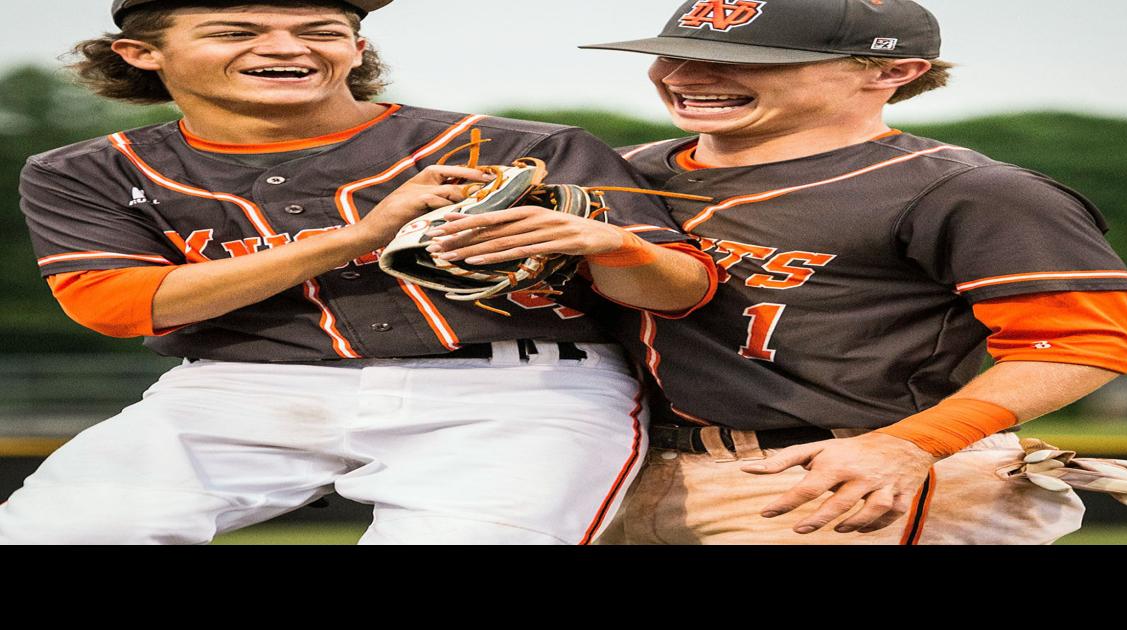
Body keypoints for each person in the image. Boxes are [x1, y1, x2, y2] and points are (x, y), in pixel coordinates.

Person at [0, 0, 715, 545]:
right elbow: (119, 306)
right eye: (235, 30)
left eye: (320, 29)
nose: (287, 47)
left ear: (356, 47)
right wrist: (363, 236)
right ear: (141, 53)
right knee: (56, 529)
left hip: (516, 388)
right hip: (239, 386)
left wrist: (613, 248)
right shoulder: (86, 171)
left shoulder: (521, 145)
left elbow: (684, 289)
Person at [566, 0, 1127, 544]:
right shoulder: (617, 174)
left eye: (745, 59)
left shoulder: (968, 191)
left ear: (893, 70)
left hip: (844, 474)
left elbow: (1082, 343)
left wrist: (911, 445)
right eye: (672, 53)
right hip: (614, 471)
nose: (684, 75)